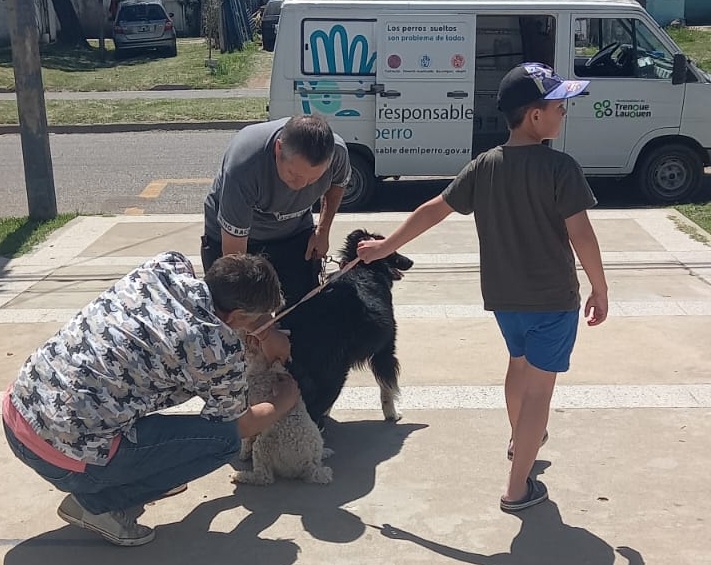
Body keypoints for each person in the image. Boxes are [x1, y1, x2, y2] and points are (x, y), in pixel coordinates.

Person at [357, 62, 609, 512]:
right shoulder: (561, 168)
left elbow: (435, 208)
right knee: (540, 389)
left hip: (504, 300)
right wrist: (599, 286)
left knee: (519, 365)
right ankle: (517, 488)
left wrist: (386, 245)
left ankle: (520, 441)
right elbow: (582, 234)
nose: (564, 114)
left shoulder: (485, 166)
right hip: (551, 299)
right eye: (559, 106)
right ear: (535, 116)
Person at [2, 251, 298, 546]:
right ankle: (95, 506)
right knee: (224, 442)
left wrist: (261, 328)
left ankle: (138, 473)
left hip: (17, 412)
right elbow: (242, 425)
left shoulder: (165, 266)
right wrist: (284, 399)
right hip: (63, 460)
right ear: (236, 317)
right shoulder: (217, 349)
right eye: (259, 319)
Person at [201, 114, 352, 306]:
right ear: (278, 148)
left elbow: (338, 184)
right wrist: (258, 322)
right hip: (234, 240)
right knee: (233, 311)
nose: (300, 185)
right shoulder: (245, 164)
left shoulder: (338, 153)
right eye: (293, 174)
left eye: (313, 178)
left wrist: (322, 231)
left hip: (293, 231)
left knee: (300, 310)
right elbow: (234, 260)